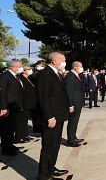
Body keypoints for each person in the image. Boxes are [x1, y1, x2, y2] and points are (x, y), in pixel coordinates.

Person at [37, 52, 70, 180]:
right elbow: (43, 97)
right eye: (63, 60)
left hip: (59, 116)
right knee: (48, 146)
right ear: (55, 61)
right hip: (52, 118)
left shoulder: (55, 73)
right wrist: (49, 116)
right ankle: (44, 176)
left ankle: (51, 168)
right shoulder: (46, 74)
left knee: (55, 145)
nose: (64, 62)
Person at [0, 60, 24, 156]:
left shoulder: (15, 76)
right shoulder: (5, 76)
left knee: (11, 128)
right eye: (19, 66)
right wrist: (4, 107)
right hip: (8, 107)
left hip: (15, 106)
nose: (21, 68)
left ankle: (10, 145)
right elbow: (2, 93)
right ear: (12, 67)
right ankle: (6, 149)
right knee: (6, 129)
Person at [64, 61, 85, 147]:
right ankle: (71, 140)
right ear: (75, 67)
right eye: (81, 66)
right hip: (74, 104)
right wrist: (70, 104)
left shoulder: (76, 75)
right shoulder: (70, 77)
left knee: (75, 121)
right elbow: (68, 92)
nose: (82, 68)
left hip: (78, 103)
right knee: (72, 122)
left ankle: (74, 137)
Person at [15, 66, 37, 143]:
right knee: (21, 121)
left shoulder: (28, 78)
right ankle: (19, 137)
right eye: (29, 69)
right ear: (24, 71)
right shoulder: (21, 78)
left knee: (25, 121)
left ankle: (25, 136)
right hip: (24, 103)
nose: (31, 70)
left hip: (29, 103)